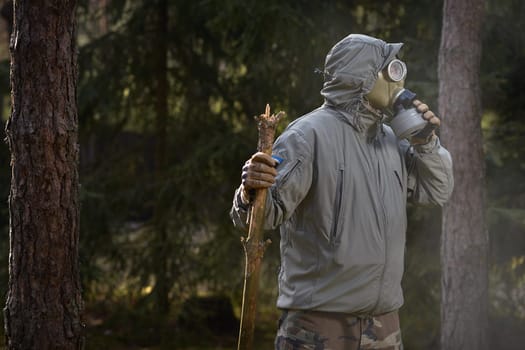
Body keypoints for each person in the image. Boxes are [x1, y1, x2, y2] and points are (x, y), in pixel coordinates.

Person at [230, 34, 454, 350]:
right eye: (389, 69)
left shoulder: (390, 139)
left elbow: (438, 190)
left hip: (383, 324)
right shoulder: (307, 136)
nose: (398, 78)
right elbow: (262, 216)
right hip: (318, 324)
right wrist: (248, 190)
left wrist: (426, 142)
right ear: (361, 77)